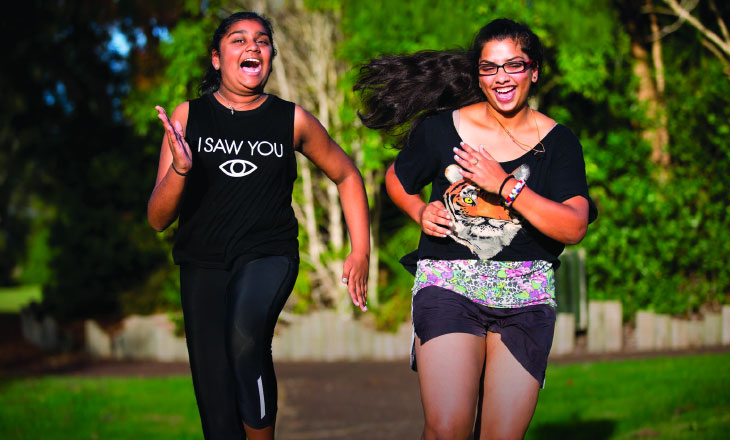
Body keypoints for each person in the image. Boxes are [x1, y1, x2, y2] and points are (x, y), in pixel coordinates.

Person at [355, 18, 597, 439]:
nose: (501, 78)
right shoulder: (441, 129)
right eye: (490, 67)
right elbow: (397, 177)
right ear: (478, 74)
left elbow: (573, 226)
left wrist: (503, 185)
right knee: (447, 428)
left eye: (514, 65)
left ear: (534, 70)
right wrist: (418, 211)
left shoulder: (559, 142)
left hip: (526, 298)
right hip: (449, 285)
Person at [147, 11, 370, 440]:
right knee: (216, 405)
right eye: (238, 40)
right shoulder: (189, 117)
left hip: (269, 254)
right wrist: (179, 168)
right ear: (216, 59)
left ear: (270, 57)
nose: (252, 46)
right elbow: (158, 219)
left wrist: (359, 249)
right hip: (203, 263)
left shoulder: (292, 119)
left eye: (262, 41)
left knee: (245, 337)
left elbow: (347, 175)